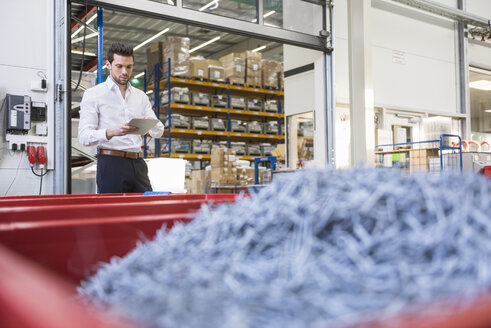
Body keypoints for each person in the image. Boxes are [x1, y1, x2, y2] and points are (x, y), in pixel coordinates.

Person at [78, 42, 164, 193]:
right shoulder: (93, 94)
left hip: (138, 164)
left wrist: (150, 124)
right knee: (113, 213)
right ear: (108, 65)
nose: (124, 71)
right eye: (119, 66)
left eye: (129, 67)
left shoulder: (140, 96)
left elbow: (159, 132)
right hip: (111, 164)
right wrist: (110, 132)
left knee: (146, 210)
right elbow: (84, 137)